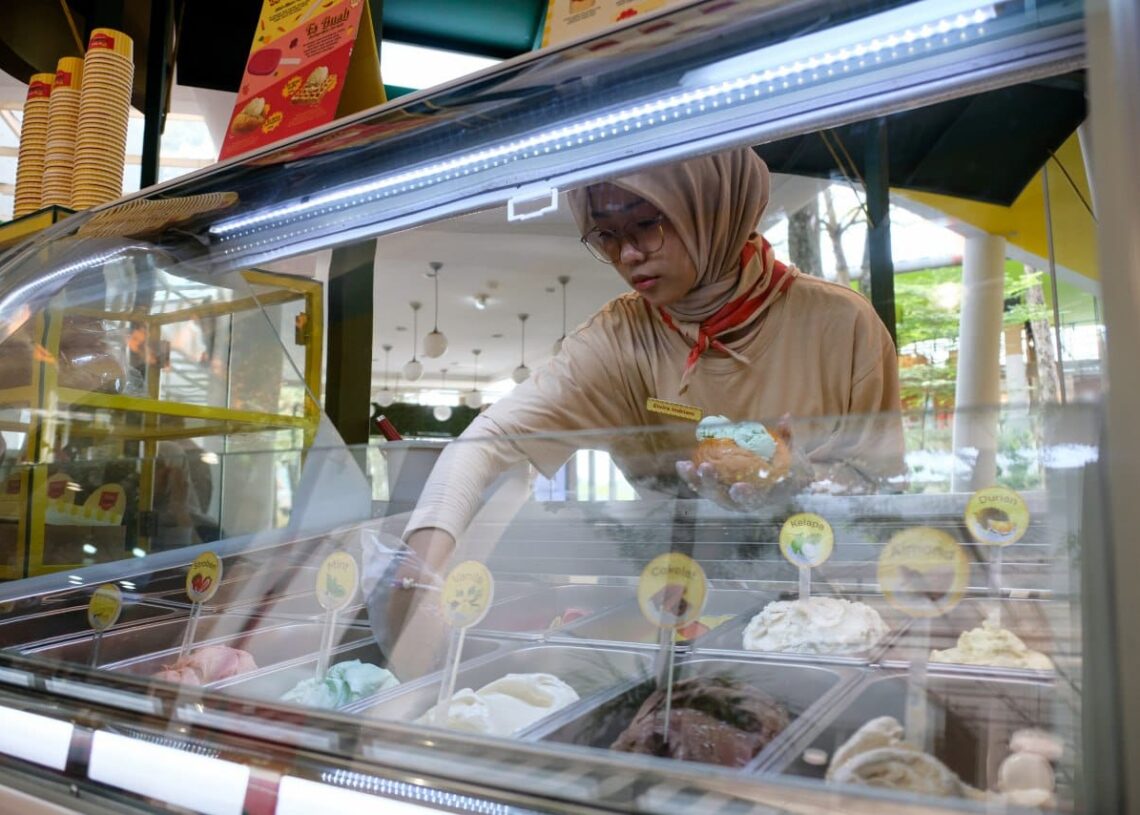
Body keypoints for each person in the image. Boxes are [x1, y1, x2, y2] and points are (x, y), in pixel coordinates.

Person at [371, 146, 904, 670]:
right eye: (606, 234)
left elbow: (879, 494)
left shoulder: (841, 324)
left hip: (826, 608)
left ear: (714, 208)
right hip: (679, 602)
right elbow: (490, 442)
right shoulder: (621, 335)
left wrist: (802, 477)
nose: (627, 255)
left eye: (647, 223)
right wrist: (419, 565)